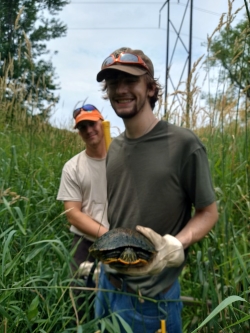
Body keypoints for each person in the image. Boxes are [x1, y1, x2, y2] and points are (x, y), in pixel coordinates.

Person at [94, 47, 219, 333]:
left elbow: (208, 212)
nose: (120, 90)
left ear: (150, 88)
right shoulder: (115, 148)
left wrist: (177, 243)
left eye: (130, 82)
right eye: (113, 83)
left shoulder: (183, 144)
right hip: (108, 284)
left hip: (149, 300)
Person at [57, 104, 109, 321]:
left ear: (102, 122)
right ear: (78, 132)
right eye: (82, 127)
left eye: (92, 123)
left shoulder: (123, 159)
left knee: (121, 301)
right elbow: (73, 214)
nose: (89, 130)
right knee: (81, 303)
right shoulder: (73, 167)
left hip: (123, 241)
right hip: (85, 244)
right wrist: (108, 235)